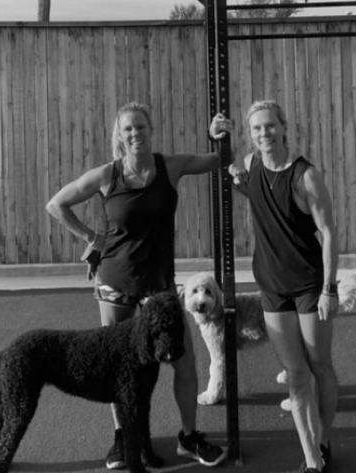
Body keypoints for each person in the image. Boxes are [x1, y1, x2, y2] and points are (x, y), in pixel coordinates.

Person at [46, 102, 227, 470]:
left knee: (184, 362)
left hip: (159, 285)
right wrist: (93, 238)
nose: (135, 133)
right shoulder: (106, 175)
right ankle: (122, 439)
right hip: (115, 281)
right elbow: (57, 204)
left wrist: (220, 134)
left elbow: (219, 160)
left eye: (140, 127)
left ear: (150, 129)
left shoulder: (169, 167)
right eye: (127, 129)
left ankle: (188, 437)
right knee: (116, 366)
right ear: (119, 135)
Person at [210, 100, 339, 473]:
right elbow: (253, 191)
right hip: (272, 285)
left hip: (310, 285)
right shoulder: (252, 165)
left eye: (269, 126)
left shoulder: (305, 175)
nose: (263, 134)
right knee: (296, 375)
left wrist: (330, 288)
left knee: (319, 366)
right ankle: (312, 460)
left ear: (283, 127)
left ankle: (325, 438)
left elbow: (328, 232)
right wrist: (219, 136)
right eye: (255, 129)